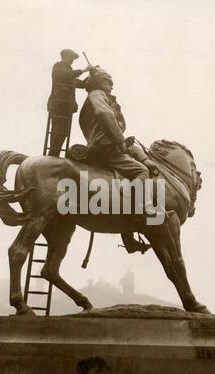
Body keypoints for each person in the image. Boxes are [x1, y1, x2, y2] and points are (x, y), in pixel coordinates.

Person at [79, 67, 158, 253]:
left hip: (109, 144)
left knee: (136, 156)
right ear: (98, 82)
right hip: (105, 147)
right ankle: (143, 208)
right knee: (140, 171)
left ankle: (129, 238)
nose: (111, 85)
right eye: (108, 81)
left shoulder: (101, 95)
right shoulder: (97, 94)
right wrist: (119, 140)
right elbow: (104, 115)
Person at [48, 49, 94, 157]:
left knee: (63, 131)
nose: (72, 61)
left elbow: (79, 83)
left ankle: (55, 153)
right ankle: (53, 153)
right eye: (71, 58)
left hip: (66, 106)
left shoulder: (69, 72)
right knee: (57, 130)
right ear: (65, 56)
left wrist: (91, 76)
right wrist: (84, 70)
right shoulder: (58, 67)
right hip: (59, 104)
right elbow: (66, 75)